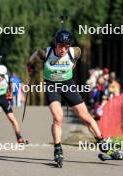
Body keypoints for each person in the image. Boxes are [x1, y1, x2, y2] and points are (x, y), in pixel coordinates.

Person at [27, 29, 118, 162]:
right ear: (55, 44)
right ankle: (57, 148)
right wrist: (30, 64)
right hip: (52, 86)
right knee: (58, 117)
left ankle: (102, 142)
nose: (62, 49)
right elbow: (35, 54)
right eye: (60, 46)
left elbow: (75, 60)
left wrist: (72, 65)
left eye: (66, 46)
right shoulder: (46, 52)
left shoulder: (75, 52)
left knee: (85, 117)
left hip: (67, 84)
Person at [0, 64, 26, 143]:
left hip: (3, 99)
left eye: (2, 76)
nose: (0, 77)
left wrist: (11, 94)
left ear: (4, 74)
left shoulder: (7, 78)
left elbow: (11, 85)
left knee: (12, 118)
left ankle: (19, 137)